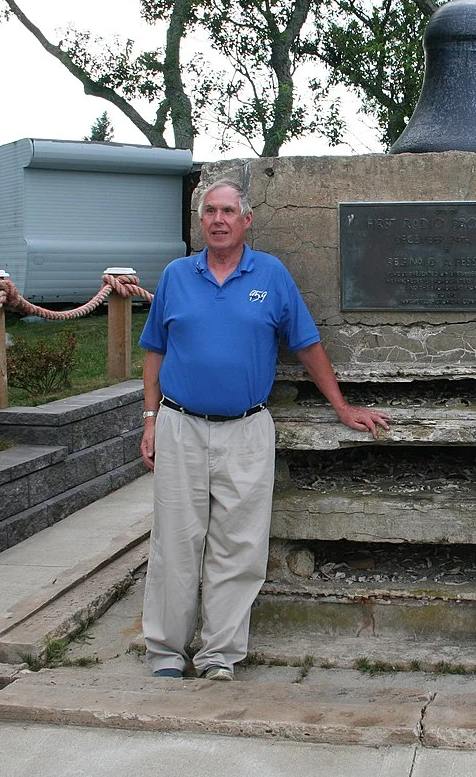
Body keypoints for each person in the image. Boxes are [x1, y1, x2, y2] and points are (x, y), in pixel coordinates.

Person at [138, 178, 391, 681]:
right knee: (175, 543)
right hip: (180, 426)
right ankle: (166, 652)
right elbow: (154, 351)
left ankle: (218, 655)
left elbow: (307, 344)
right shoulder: (176, 275)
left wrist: (342, 407)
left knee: (238, 547)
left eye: (228, 211)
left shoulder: (271, 274)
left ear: (246, 220)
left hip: (246, 430)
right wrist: (149, 419)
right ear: (200, 220)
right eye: (210, 211)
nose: (218, 220)